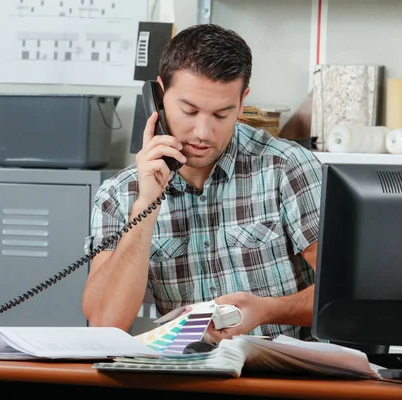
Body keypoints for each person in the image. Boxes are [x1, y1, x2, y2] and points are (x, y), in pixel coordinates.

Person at [81, 23, 323, 342]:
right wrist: (146, 206)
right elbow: (105, 321)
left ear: (242, 101)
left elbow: (344, 294)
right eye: (189, 111)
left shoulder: (287, 167)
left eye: (222, 115)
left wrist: (269, 310)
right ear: (159, 95)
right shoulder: (119, 194)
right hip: (183, 376)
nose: (203, 133)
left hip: (281, 380)